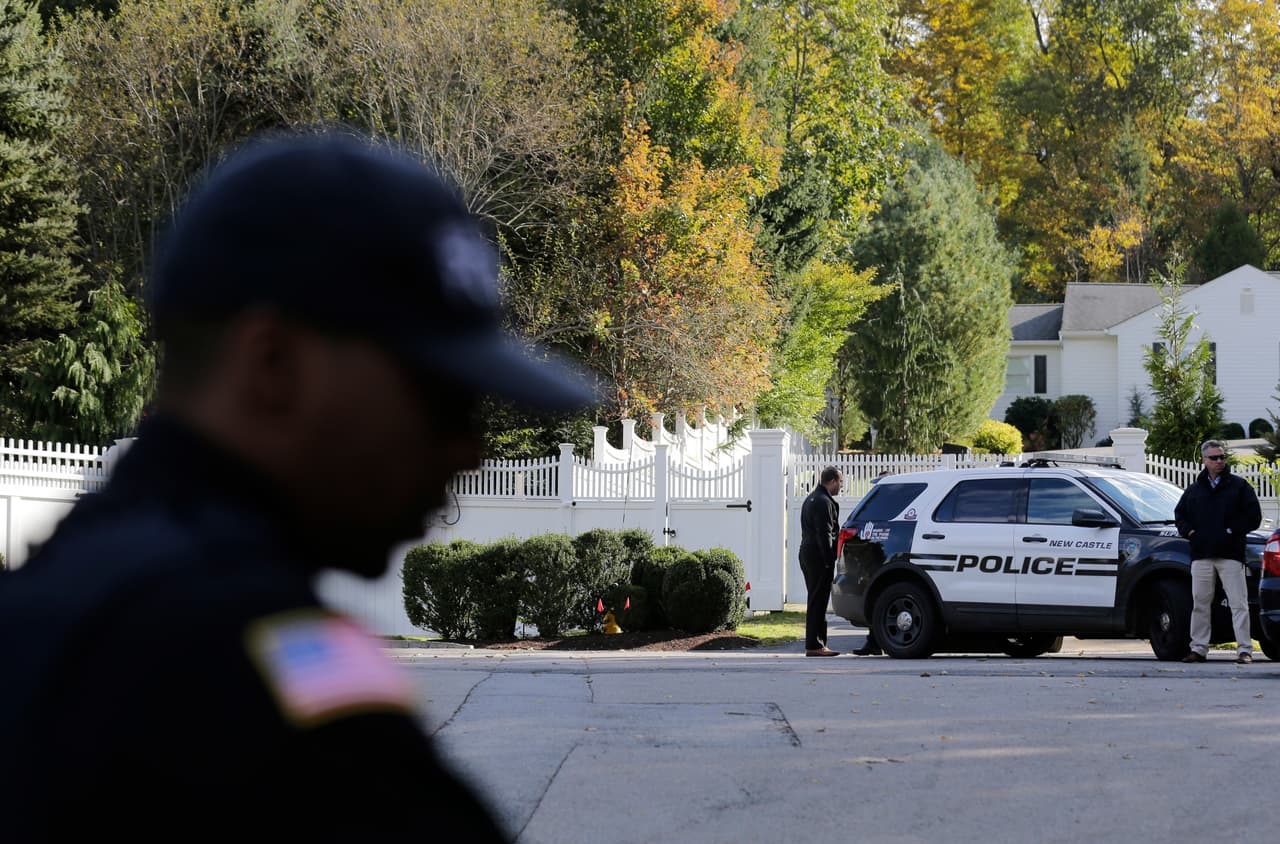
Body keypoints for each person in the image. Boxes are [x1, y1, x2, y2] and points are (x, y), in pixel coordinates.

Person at [0, 131, 594, 841]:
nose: (465, 452)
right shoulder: (248, 657)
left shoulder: (47, 599)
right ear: (273, 362)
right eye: (438, 398)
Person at [1174, 439, 1262, 664]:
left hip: (1230, 555)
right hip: (1202, 555)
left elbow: (1254, 517)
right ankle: (1199, 649)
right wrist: (1191, 532)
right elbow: (1180, 514)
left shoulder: (1239, 487)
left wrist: (1232, 530)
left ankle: (1244, 650)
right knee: (1200, 603)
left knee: (1238, 603)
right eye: (1214, 457)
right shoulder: (1194, 490)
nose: (1220, 461)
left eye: (1222, 457)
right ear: (1204, 460)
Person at [799, 466, 843, 656]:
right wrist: (829, 559)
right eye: (840, 482)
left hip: (807, 553)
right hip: (818, 556)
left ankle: (816, 643)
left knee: (815, 599)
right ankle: (815, 645)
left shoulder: (810, 499)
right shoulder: (823, 501)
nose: (841, 486)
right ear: (832, 481)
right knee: (818, 600)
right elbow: (824, 534)